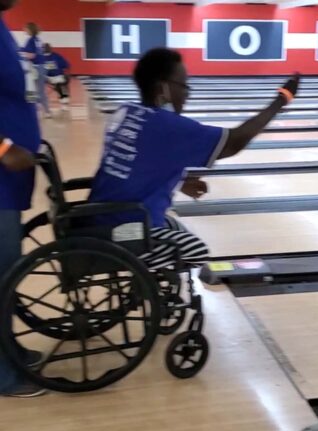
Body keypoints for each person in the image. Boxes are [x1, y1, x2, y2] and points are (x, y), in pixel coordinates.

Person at [89, 48, 300, 270]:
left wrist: (180, 180)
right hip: (125, 228)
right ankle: (145, 282)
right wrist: (280, 101)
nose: (187, 93)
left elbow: (136, 165)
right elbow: (232, 142)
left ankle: (147, 286)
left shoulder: (126, 112)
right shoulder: (168, 126)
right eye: (184, 85)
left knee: (176, 229)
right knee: (196, 252)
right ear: (163, 88)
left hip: (98, 218)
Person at [0, 0, 46, 397]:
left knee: (6, 276)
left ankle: (9, 351)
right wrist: (2, 147)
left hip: (7, 185)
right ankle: (3, 375)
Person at [21, 21, 51, 117]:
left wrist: (21, 55)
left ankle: (44, 111)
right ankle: (45, 111)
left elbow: (32, 55)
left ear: (30, 29)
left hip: (37, 68)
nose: (24, 30)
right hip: (41, 66)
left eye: (25, 28)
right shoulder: (37, 40)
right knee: (39, 90)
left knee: (36, 90)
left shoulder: (30, 40)